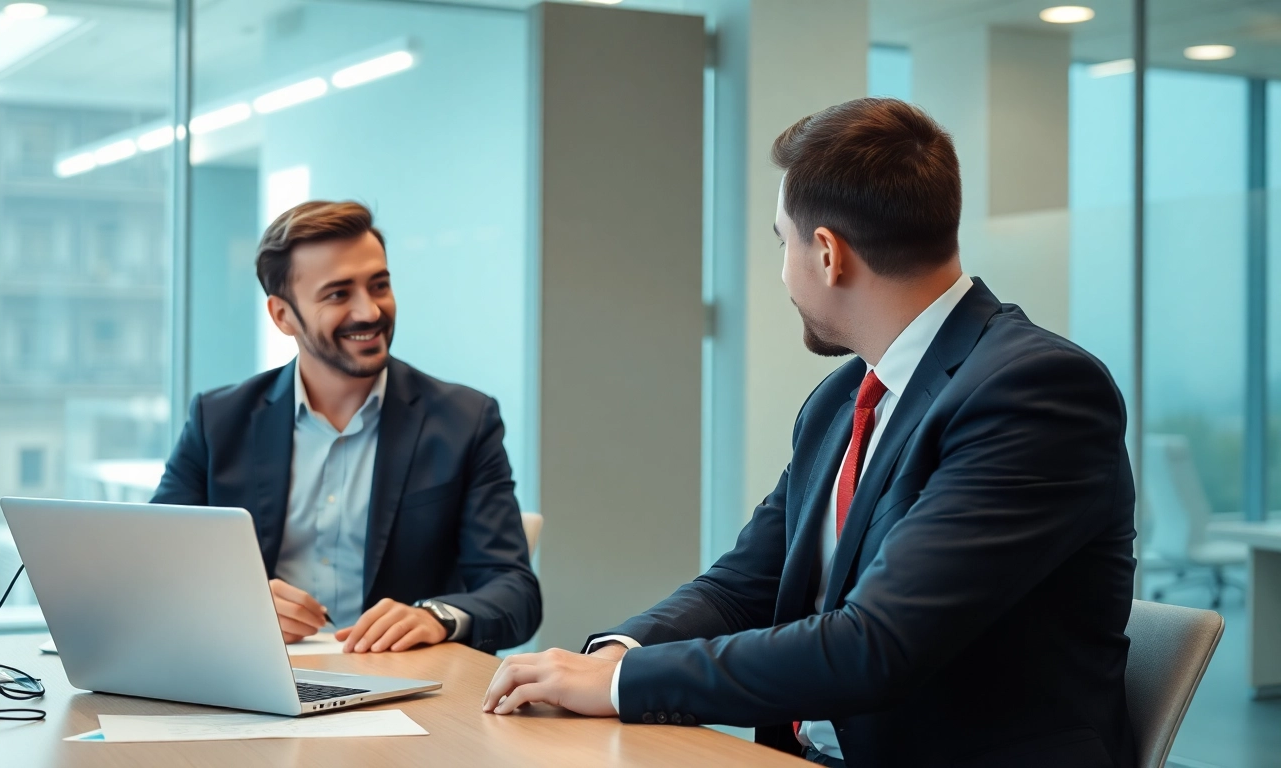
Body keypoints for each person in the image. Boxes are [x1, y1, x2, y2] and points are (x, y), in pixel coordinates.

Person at [481, 98, 1136, 768]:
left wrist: (624, 685)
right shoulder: (841, 401)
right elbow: (743, 585)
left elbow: (876, 645)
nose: (783, 272)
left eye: (782, 242)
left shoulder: (1035, 392)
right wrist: (621, 654)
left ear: (827, 254)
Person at [153, 201, 540, 655]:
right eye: (338, 294)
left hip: (403, 678)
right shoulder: (218, 421)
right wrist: (233, 604)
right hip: (251, 669)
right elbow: (153, 568)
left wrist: (434, 616)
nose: (370, 311)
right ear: (282, 315)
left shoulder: (464, 420)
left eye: (379, 285)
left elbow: (515, 592)